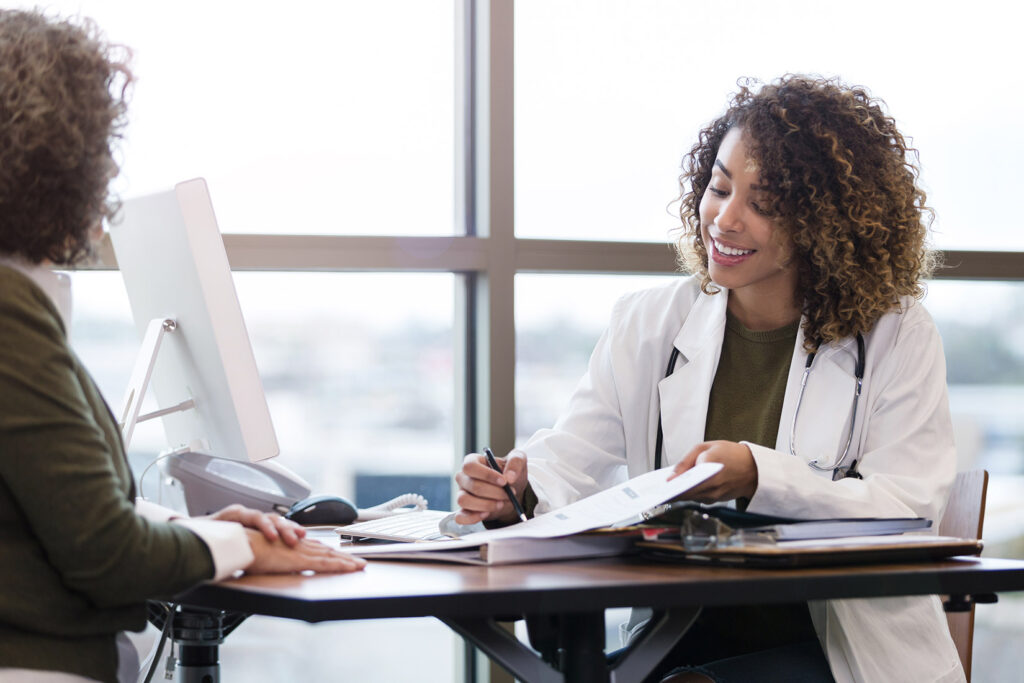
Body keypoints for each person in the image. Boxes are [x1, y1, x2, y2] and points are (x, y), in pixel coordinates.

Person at [454, 75, 963, 683]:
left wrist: (758, 475)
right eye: (719, 187)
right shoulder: (648, 322)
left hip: (838, 653)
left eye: (763, 203)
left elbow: (905, 507)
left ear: (827, 222)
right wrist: (514, 488)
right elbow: (572, 460)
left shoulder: (896, 334)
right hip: (674, 644)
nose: (724, 218)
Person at [0, 10, 365, 683]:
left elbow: (47, 502)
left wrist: (193, 529)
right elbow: (106, 553)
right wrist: (240, 543)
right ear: (59, 156)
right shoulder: (7, 306)